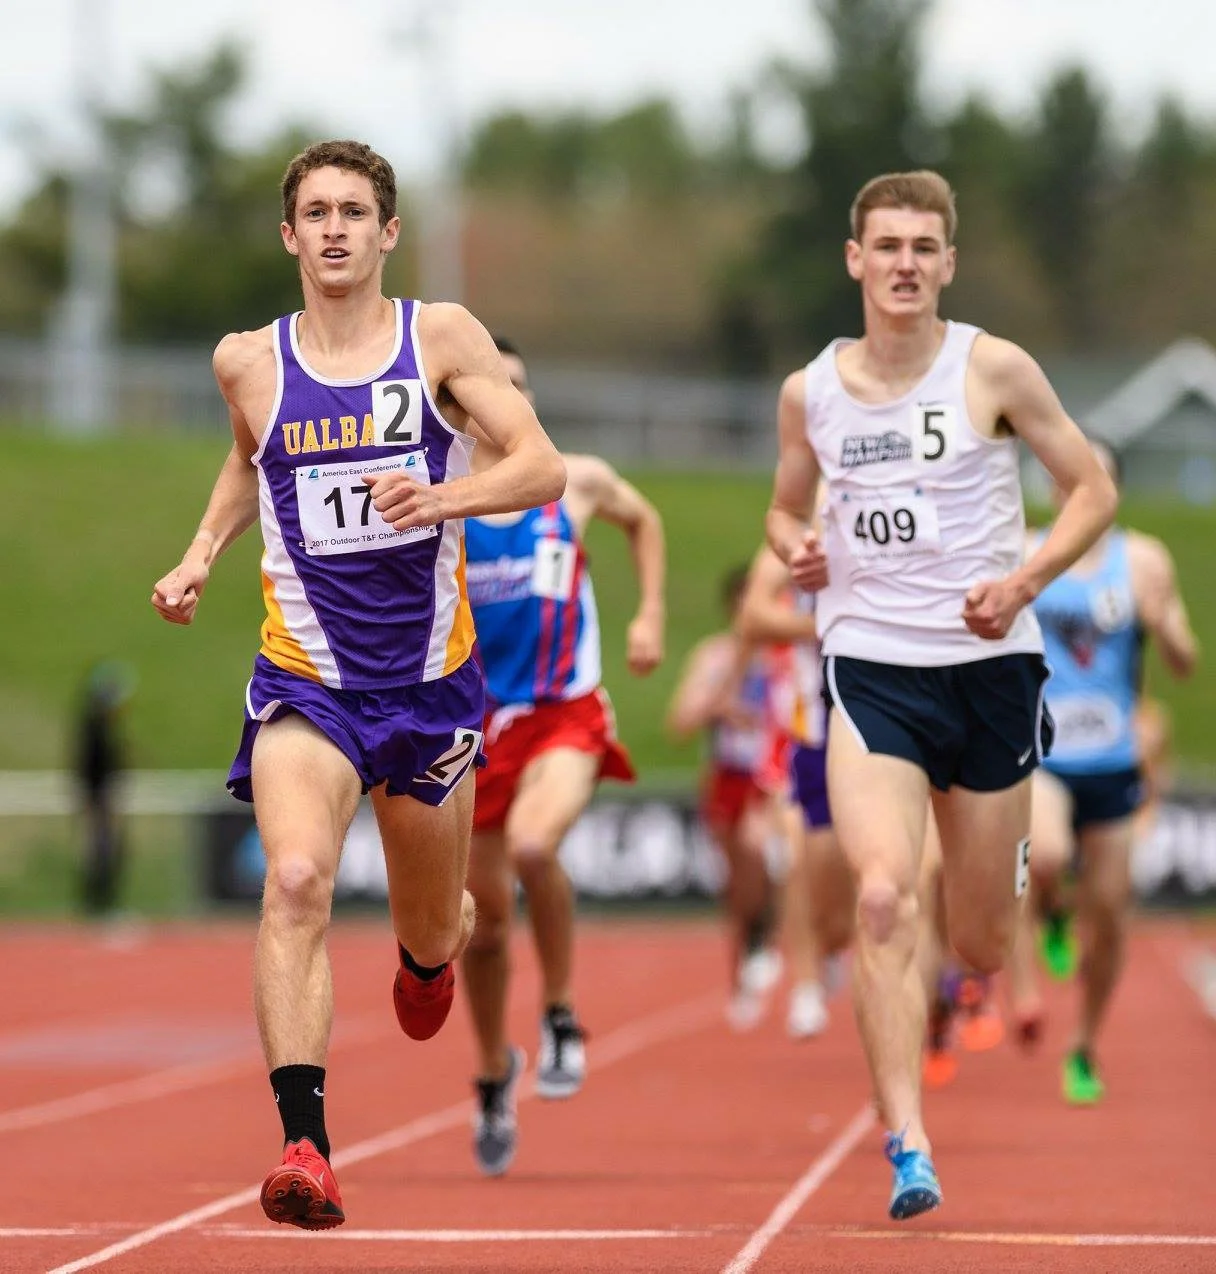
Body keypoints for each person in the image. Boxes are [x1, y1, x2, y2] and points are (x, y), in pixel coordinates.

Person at [150, 140, 566, 1230]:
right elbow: (247, 458)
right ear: (290, 235)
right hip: (310, 681)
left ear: (387, 232)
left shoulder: (441, 338)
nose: (335, 229)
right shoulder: (248, 361)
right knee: (294, 879)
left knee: (433, 936)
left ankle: (432, 952)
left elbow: (541, 464)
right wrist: (200, 553)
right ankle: (305, 1145)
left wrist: (444, 498)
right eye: (317, 212)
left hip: (428, 688)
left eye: (354, 211)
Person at [764, 169, 1118, 1220]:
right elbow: (782, 513)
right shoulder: (811, 392)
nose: (905, 263)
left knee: (980, 941)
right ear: (855, 259)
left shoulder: (992, 366)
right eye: (887, 245)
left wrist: (1023, 583)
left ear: (948, 263)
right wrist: (795, 549)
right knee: (881, 894)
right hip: (871, 664)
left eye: (923, 246)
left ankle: (997, 926)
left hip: (991, 669)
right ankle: (907, 1144)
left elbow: (1093, 491)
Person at [459, 337, 665, 1175]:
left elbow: (644, 520)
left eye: (519, 387)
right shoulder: (442, 499)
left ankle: (560, 1013)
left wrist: (649, 614)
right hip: (472, 732)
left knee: (536, 847)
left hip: (562, 712)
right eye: (489, 389)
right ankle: (491, 1073)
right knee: (480, 929)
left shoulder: (575, 481)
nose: (506, 401)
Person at [1006, 440, 1198, 1102]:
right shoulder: (1025, 549)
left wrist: (1161, 624)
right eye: (1071, 477)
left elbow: (1184, 661)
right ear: (1056, 488)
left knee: (1112, 913)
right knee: (1048, 854)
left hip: (1113, 759)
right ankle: (1052, 913)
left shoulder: (1142, 560)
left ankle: (1084, 1044)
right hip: (1046, 752)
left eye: (1099, 478)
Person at [666, 564, 782, 1029]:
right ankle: (745, 965)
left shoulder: (783, 655)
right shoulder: (713, 657)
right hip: (728, 777)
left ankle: (772, 942)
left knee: (759, 849)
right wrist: (720, 704)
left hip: (774, 778)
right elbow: (679, 722)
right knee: (738, 886)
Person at [73, 660, 136, 916]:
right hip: (98, 796)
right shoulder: (93, 726)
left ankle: (102, 904)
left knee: (108, 851)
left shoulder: (103, 726)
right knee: (97, 852)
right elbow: (88, 764)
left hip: (103, 796)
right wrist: (96, 795)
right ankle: (96, 906)